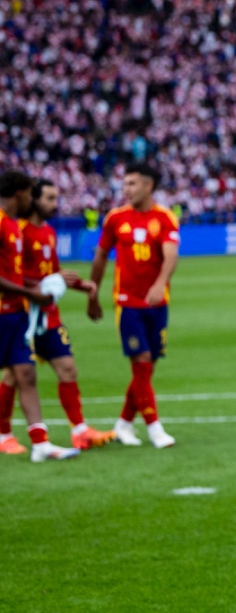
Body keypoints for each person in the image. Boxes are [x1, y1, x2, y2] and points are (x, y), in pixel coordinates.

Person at [2, 178, 114, 451]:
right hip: (24, 312)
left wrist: (83, 285)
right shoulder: (20, 229)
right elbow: (17, 275)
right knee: (14, 375)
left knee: (67, 368)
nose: (54, 204)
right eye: (48, 198)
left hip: (47, 313)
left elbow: (54, 275)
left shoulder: (49, 233)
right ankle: (4, 434)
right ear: (31, 198)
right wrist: (38, 288)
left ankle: (79, 430)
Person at [86, 162, 180, 449]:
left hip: (157, 302)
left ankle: (124, 424)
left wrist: (159, 284)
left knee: (147, 367)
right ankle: (155, 429)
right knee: (140, 363)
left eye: (131, 183)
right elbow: (101, 255)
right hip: (127, 302)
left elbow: (170, 256)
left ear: (148, 185)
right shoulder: (115, 219)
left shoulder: (165, 218)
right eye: (124, 184)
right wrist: (93, 293)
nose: (125, 189)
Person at [0, 170, 80, 461]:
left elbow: (14, 274)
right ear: (21, 193)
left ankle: (40, 443)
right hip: (5, 312)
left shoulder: (11, 225)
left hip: (16, 314)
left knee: (26, 373)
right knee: (16, 374)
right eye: (30, 194)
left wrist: (39, 288)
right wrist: (29, 293)